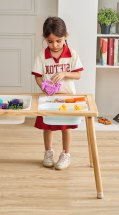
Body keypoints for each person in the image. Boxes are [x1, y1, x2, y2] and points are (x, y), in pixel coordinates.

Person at [32, 17, 84, 170]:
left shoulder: (72, 54)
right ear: (45, 39)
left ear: (65, 37)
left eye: (58, 41)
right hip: (48, 99)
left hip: (67, 98)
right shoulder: (42, 56)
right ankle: (48, 152)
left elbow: (78, 75)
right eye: (50, 41)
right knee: (47, 126)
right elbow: (38, 76)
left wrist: (65, 73)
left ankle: (66, 154)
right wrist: (43, 87)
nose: (54, 45)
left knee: (65, 127)